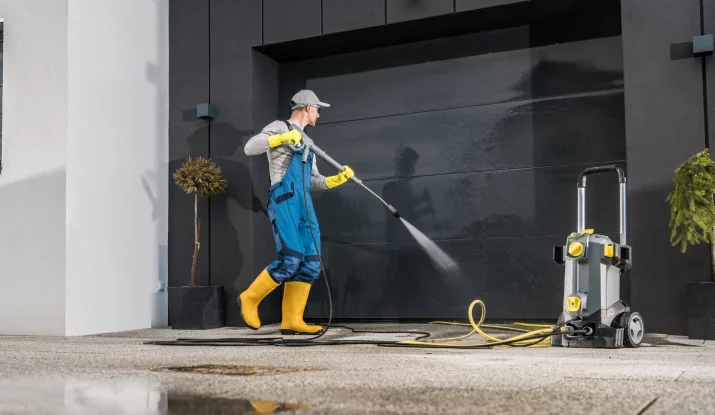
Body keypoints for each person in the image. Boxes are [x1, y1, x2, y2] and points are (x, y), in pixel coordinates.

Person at [238, 90, 355, 335]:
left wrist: (334, 180)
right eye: (318, 110)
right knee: (291, 257)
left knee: (311, 262)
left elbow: (313, 179)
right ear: (308, 107)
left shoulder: (308, 143)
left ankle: (292, 320)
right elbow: (250, 147)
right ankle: (249, 297)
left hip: (304, 201)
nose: (319, 115)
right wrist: (281, 138)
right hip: (285, 198)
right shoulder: (280, 127)